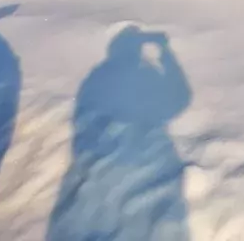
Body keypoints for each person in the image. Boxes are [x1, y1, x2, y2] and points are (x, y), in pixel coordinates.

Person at [47, 26, 191, 241]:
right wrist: (165, 52)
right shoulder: (146, 75)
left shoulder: (97, 77)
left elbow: (81, 118)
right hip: (144, 158)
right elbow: (179, 99)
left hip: (100, 159)